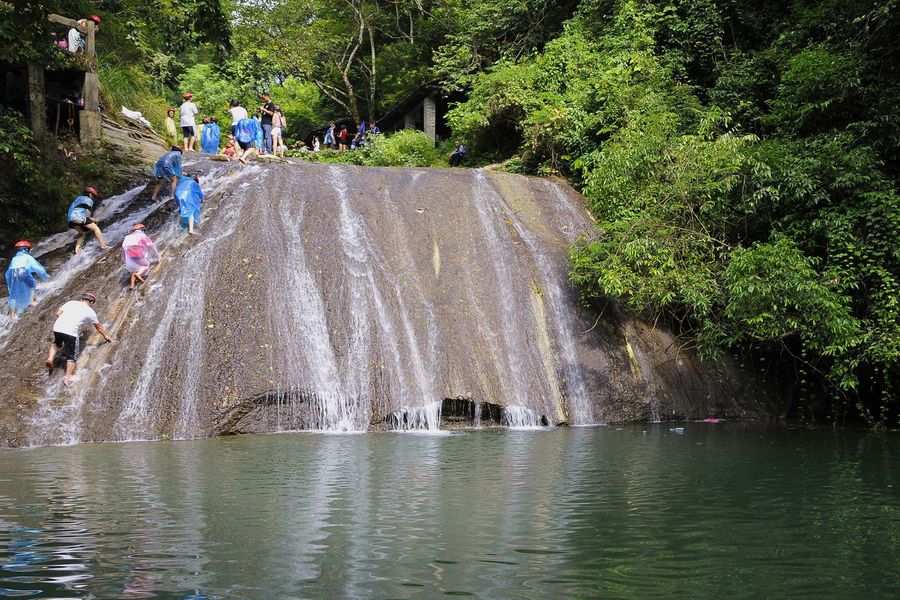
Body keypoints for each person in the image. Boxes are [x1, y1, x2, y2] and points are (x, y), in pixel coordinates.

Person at [46, 291, 112, 386]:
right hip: (71, 331)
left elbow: (57, 313)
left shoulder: (71, 303)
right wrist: (106, 335)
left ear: (81, 299)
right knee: (72, 356)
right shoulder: (90, 312)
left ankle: (50, 358)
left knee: (57, 343)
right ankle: (68, 377)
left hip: (57, 327)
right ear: (92, 303)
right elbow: (98, 327)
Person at [5, 241, 48, 318]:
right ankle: (33, 301)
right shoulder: (28, 257)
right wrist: (45, 276)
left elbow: (10, 270)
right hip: (23, 273)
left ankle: (12, 314)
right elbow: (38, 268)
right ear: (26, 249)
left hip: (12, 275)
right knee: (32, 285)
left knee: (14, 293)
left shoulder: (15, 258)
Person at [67, 187, 110, 254]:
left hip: (71, 220)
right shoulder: (88, 200)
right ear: (90, 194)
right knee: (96, 229)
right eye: (93, 196)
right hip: (79, 218)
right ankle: (103, 246)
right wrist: (95, 220)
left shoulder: (78, 198)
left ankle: (76, 251)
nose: (92, 197)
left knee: (82, 234)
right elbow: (87, 216)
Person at [121, 224, 161, 289]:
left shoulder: (127, 237)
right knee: (146, 265)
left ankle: (132, 285)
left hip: (129, 255)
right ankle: (138, 274)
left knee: (133, 270)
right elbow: (151, 246)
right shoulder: (141, 235)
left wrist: (125, 260)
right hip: (136, 253)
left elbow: (123, 250)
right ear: (142, 230)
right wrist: (158, 256)